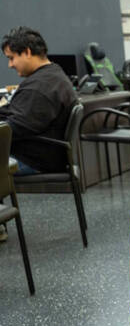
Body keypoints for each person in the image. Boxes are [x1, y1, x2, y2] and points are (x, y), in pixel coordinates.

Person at [0, 26, 77, 242]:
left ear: (26, 51)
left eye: (12, 58)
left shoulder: (39, 87)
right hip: (48, 151)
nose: (10, 64)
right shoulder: (52, 75)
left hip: (37, 158)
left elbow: (14, 127)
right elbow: (19, 114)